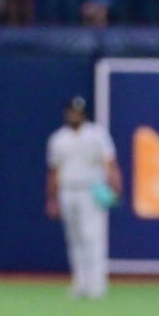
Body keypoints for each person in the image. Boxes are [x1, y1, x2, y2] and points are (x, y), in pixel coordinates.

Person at [45, 95, 122, 299]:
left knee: (92, 237)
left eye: (78, 111)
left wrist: (115, 186)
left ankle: (97, 284)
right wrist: (52, 199)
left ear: (84, 113)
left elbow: (110, 163)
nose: (74, 115)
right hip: (68, 190)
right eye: (71, 111)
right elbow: (53, 171)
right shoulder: (59, 138)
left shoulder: (96, 134)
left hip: (91, 189)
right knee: (74, 238)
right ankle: (80, 282)